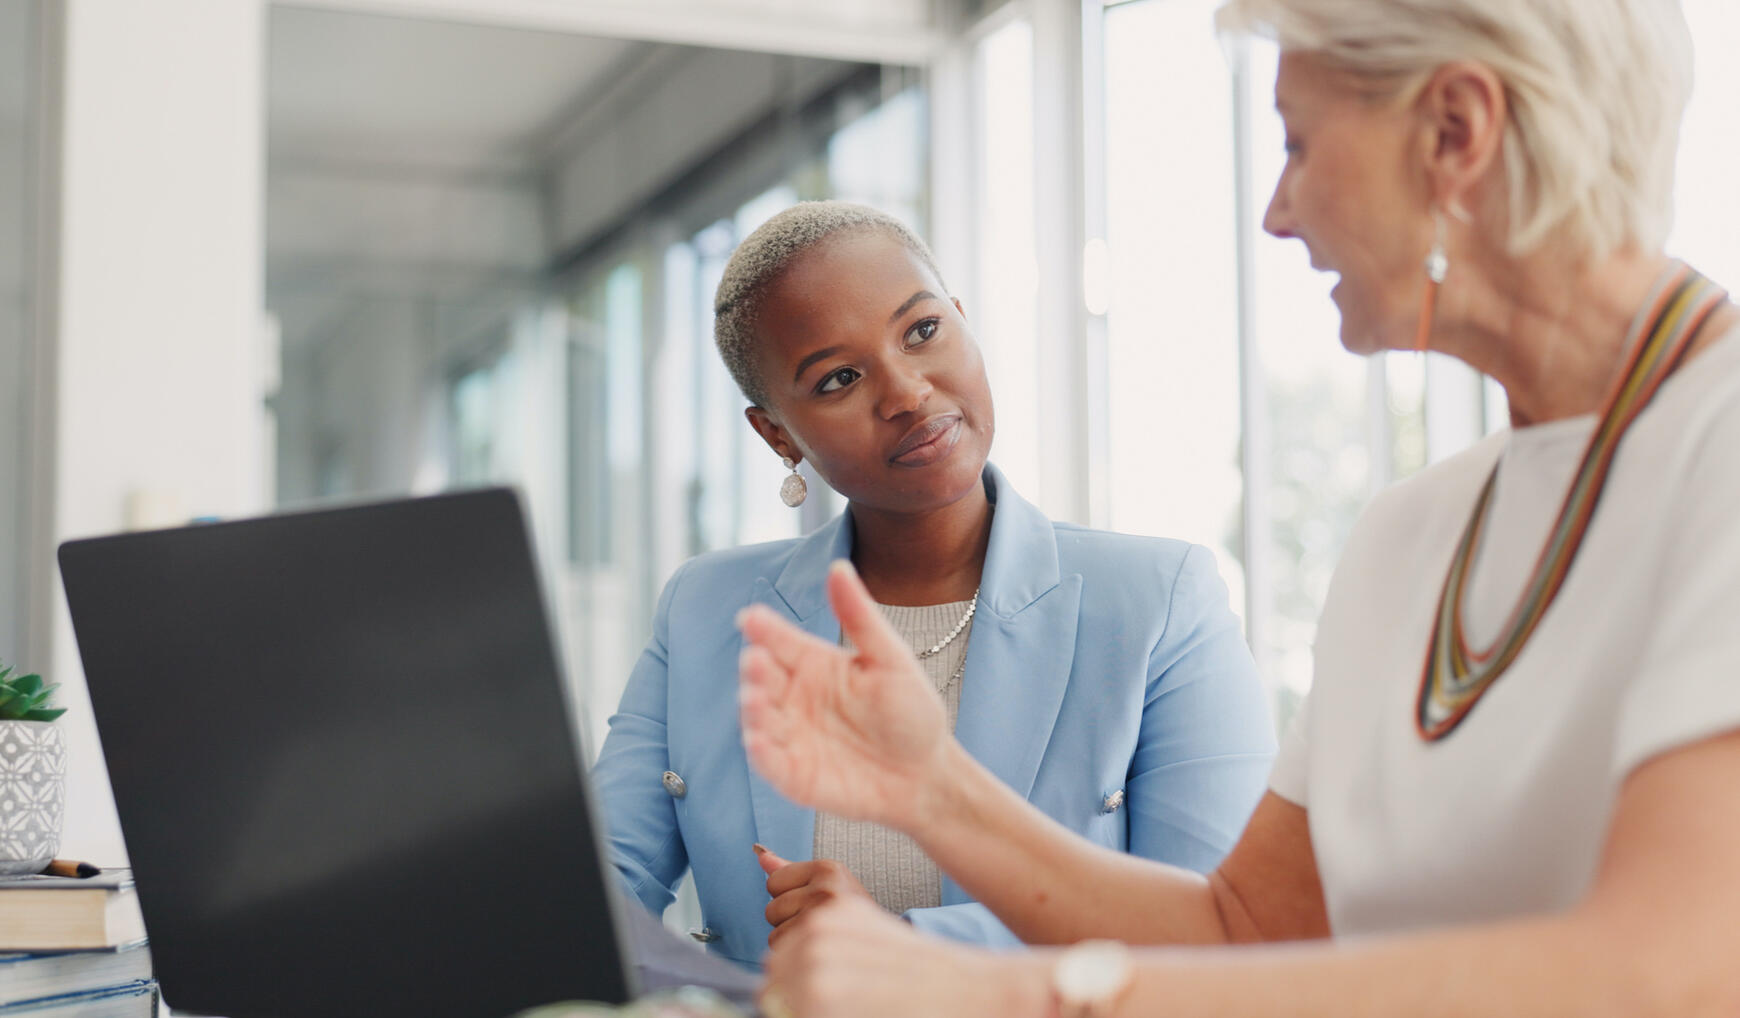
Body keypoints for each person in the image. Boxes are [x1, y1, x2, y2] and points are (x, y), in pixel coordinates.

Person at [735, 1, 1740, 1015]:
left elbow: (1675, 972)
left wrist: (1004, 992)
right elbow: (1247, 931)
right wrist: (932, 786)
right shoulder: (1410, 533)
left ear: (1454, 132)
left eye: (1298, 144)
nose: (1277, 213)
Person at [590, 200, 1277, 970]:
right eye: (839, 378)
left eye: (922, 331)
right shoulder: (706, 611)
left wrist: (908, 947)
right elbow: (595, 893)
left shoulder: (1158, 602)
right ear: (778, 433)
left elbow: (1225, 937)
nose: (907, 393)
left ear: (961, 319)